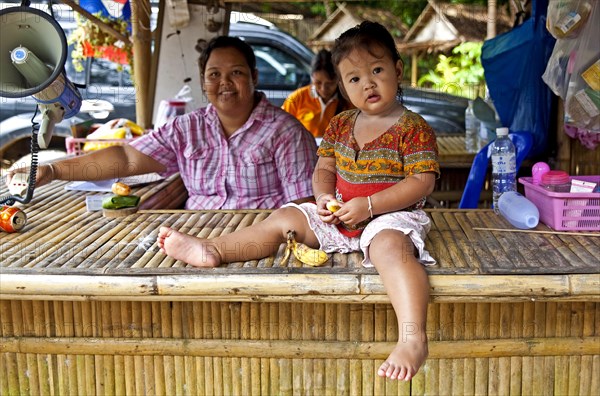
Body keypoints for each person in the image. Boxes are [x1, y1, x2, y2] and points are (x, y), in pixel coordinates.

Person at [157, 21, 439, 381]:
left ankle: (413, 338)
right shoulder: (339, 125)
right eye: (353, 78)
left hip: (392, 217)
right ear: (341, 85)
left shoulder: (413, 127)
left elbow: (422, 181)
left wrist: (370, 207)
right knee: (286, 217)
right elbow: (324, 168)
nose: (367, 83)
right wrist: (322, 197)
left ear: (398, 71)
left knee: (391, 250)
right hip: (342, 214)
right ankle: (213, 249)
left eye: (377, 70)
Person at [6, 36, 318, 210]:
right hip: (191, 237)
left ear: (254, 77)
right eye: (214, 74)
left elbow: (302, 208)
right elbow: (126, 158)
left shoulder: (285, 133)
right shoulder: (187, 128)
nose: (224, 83)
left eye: (236, 72)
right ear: (202, 81)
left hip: (261, 242)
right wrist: (52, 169)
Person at [282, 49, 352, 138]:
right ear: (312, 78)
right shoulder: (296, 98)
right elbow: (282, 130)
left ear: (338, 79)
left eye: (330, 83)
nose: (323, 89)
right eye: (318, 83)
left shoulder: (350, 101)